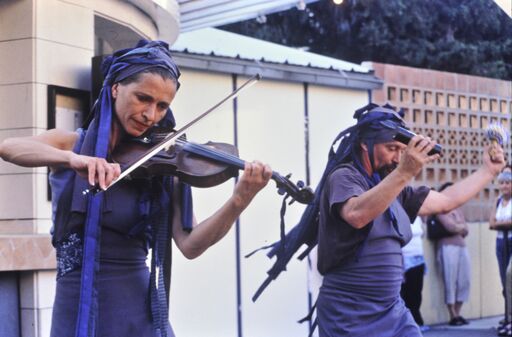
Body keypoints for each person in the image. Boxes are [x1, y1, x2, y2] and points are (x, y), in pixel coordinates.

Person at [0, 40, 272, 337]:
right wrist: (73, 160)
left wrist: (239, 201)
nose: (151, 115)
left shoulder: (165, 163)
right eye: (143, 98)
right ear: (115, 88)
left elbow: (190, 245)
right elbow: (10, 147)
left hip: (138, 313)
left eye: (162, 106)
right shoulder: (71, 144)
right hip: (76, 305)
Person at [311, 103, 505, 337]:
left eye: (401, 151)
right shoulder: (345, 176)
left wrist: (488, 172)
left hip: (392, 311)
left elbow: (445, 201)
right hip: (348, 313)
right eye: (391, 148)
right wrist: (405, 172)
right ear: (365, 144)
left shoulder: (394, 188)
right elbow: (356, 214)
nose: (397, 158)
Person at [434, 182, 471, 326]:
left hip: (462, 247)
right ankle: (452, 315)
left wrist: (458, 227)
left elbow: (466, 229)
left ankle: (458, 312)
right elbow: (450, 227)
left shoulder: (457, 208)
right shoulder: (439, 209)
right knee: (450, 280)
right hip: (447, 247)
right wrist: (459, 227)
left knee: (464, 280)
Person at [490, 165, 512, 336]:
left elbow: (498, 223)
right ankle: (508, 318)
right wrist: (505, 223)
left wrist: (500, 223)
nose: (505, 186)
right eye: (502, 182)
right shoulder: (498, 201)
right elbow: (492, 223)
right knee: (505, 281)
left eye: (508, 182)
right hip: (500, 242)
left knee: (511, 277)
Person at [400, 216, 428, 331]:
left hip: (418, 258)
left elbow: (422, 234)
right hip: (406, 258)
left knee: (417, 291)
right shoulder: (401, 216)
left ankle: (417, 320)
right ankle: (409, 323)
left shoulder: (418, 218)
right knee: (407, 293)